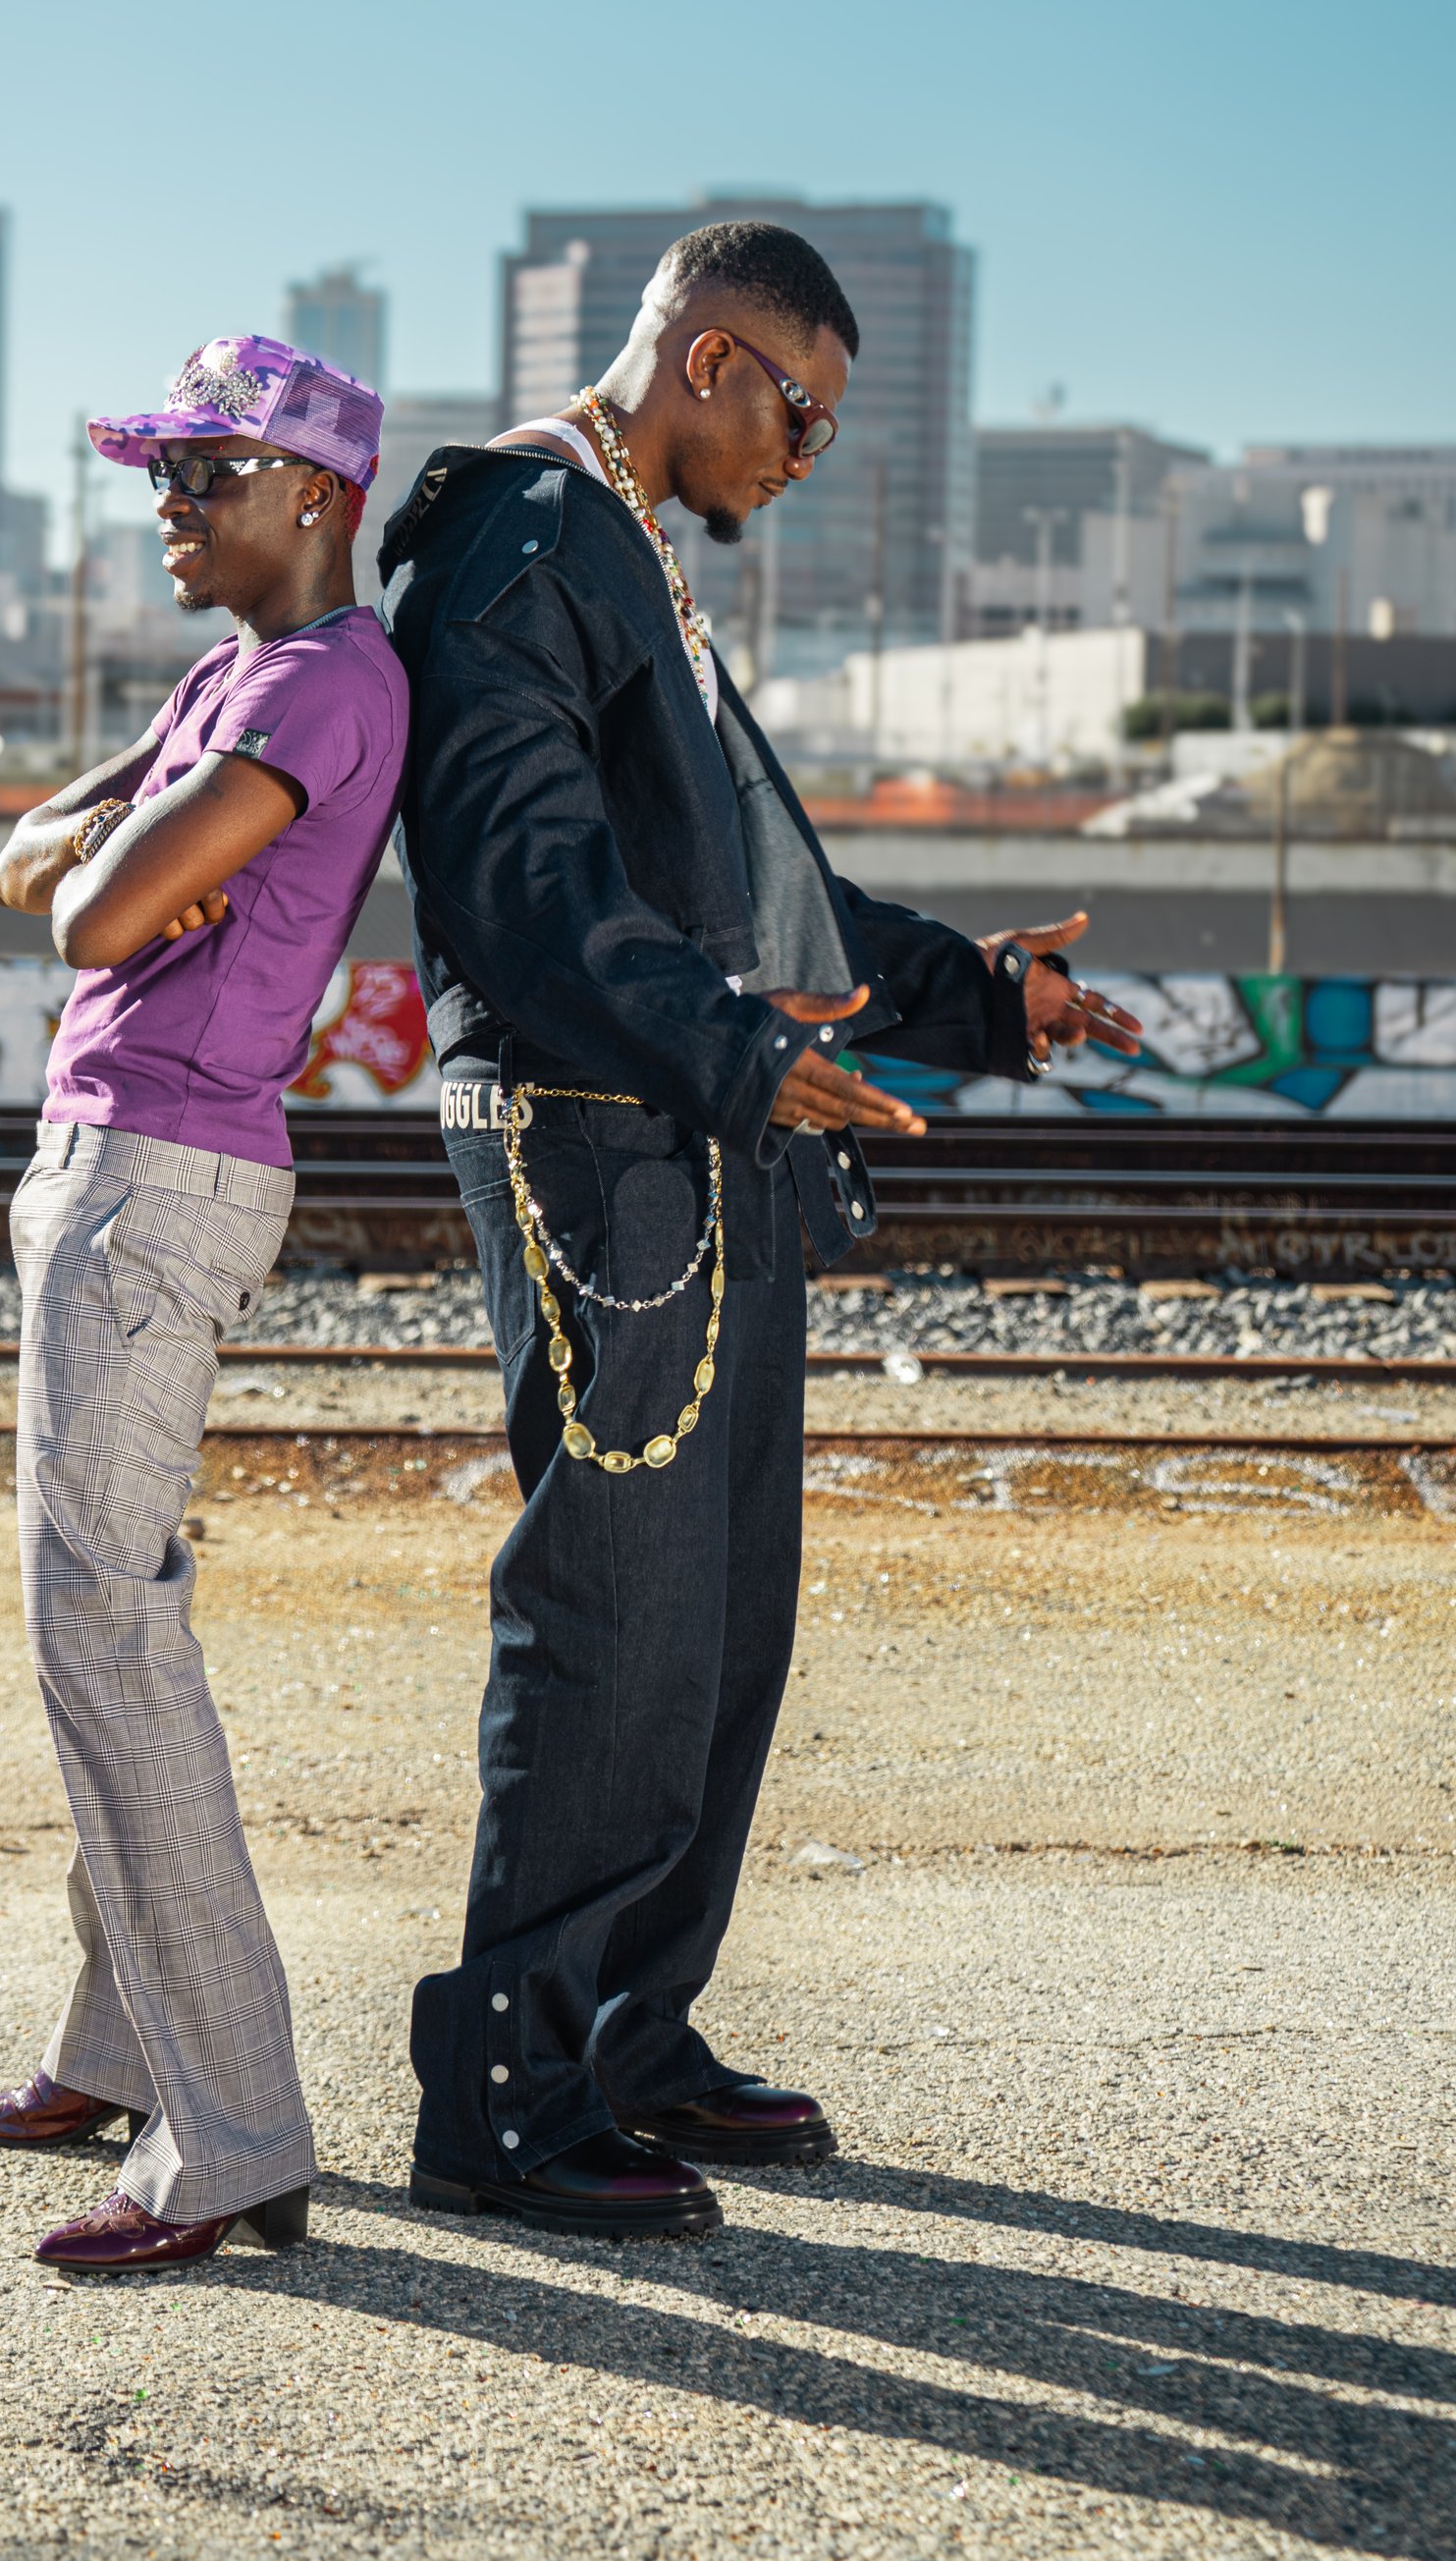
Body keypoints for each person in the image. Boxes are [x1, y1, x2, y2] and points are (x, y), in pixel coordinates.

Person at [381, 219, 1142, 2236]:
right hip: (599, 1141)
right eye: (801, 412)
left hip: (688, 1137)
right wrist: (721, 1052)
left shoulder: (630, 563)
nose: (803, 457)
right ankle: (502, 2098)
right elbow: (515, 882)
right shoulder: (532, 543)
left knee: (713, 1625)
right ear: (710, 357)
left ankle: (625, 2035)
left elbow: (755, 918)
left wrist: (983, 995)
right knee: (612, 1616)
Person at [0, 332, 406, 2276]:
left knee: (106, 1637)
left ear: (315, 495)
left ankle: (229, 2139)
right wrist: (119, 852)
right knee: (97, 1614)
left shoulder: (326, 680)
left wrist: (123, 867)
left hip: (161, 1182)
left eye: (206, 475)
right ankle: (113, 2046)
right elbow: (28, 864)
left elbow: (87, 919)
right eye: (163, 471)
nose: (169, 506)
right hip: (111, 1169)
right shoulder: (225, 679)